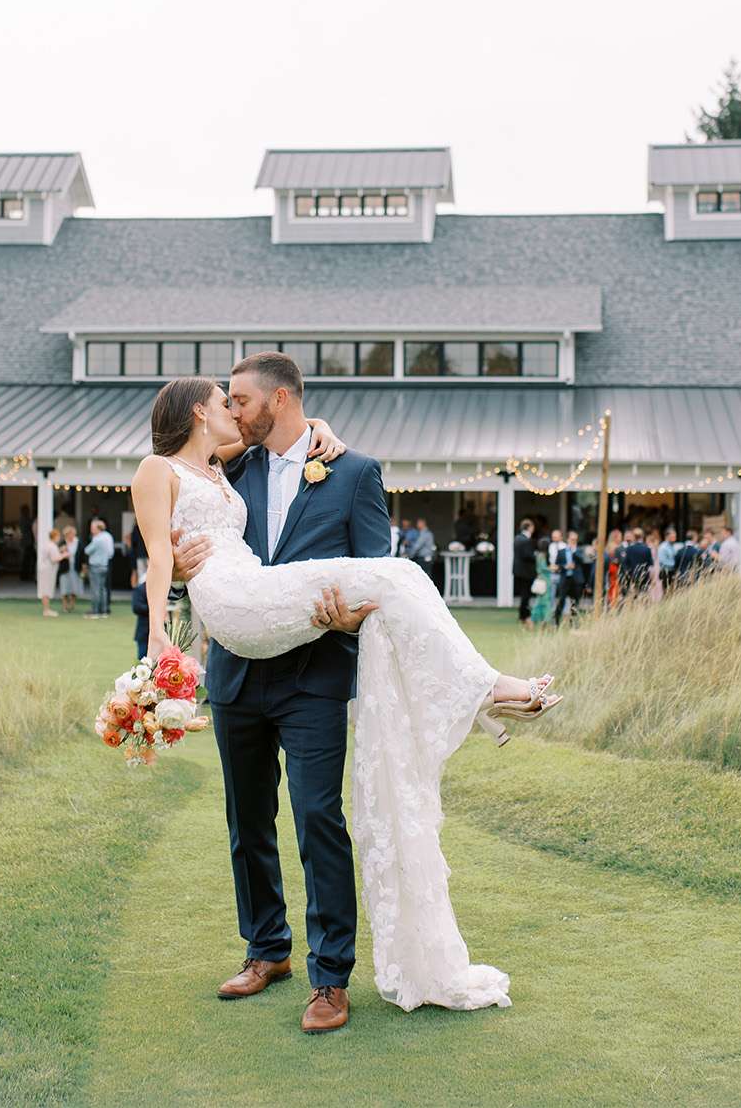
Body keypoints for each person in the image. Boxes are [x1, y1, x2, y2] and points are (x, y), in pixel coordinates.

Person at [149, 356, 558, 1029]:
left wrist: (346, 619)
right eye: (231, 403)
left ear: (279, 399)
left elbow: (374, 569)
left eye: (245, 400)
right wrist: (171, 561)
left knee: (318, 820)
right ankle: (265, 949)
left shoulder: (355, 471)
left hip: (312, 675)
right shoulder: (230, 470)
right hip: (238, 673)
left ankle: (330, 977)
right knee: (246, 821)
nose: (236, 411)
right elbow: (171, 493)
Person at [85, 518, 115, 617]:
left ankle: (95, 610)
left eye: (93, 528)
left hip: (96, 565)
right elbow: (111, 552)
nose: (91, 530)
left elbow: (87, 550)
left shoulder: (97, 539)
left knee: (96, 589)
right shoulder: (107, 536)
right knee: (103, 588)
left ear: (98, 528)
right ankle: (104, 609)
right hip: (105, 564)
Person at [511, 517, 537, 624]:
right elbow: (527, 555)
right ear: (529, 527)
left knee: (523, 593)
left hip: (518, 570)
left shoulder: (517, 538)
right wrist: (536, 555)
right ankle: (524, 615)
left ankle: (523, 614)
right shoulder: (526, 540)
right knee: (526, 594)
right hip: (526, 571)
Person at [131, 555, 152, 660]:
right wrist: (153, 608)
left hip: (158, 631)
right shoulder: (140, 589)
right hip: (144, 631)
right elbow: (136, 607)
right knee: (142, 659)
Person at [38, 526, 62, 616]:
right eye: (58, 536)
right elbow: (54, 559)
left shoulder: (49, 545)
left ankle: (47, 609)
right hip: (48, 570)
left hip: (45, 569)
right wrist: (64, 555)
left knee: (45, 588)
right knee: (46, 589)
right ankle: (46, 610)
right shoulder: (52, 546)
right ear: (55, 537)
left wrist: (60, 551)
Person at [58, 525, 83, 610]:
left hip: (76, 567)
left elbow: (83, 556)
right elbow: (57, 554)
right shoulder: (62, 543)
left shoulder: (78, 542)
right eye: (68, 534)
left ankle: (72, 604)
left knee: (74, 587)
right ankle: (64, 605)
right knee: (64, 587)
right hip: (65, 568)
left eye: (72, 534)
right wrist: (61, 551)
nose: (70, 536)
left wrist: (84, 567)